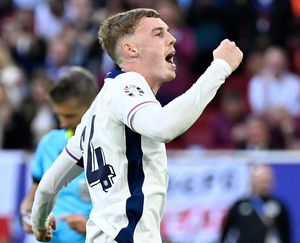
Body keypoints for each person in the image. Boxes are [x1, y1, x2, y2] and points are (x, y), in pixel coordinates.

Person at [31, 8, 243, 243]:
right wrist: (220, 68)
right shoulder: (126, 85)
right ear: (130, 49)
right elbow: (164, 127)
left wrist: (39, 223)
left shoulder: (95, 114)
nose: (171, 39)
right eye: (158, 33)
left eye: (168, 32)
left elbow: (48, 186)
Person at [20, 67, 99, 242]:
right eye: (58, 115)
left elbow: (127, 218)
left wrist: (90, 227)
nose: (62, 123)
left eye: (69, 116)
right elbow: (30, 199)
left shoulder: (110, 148)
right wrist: (29, 218)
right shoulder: (49, 142)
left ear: (92, 108)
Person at [220, 164, 291, 243]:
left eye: (267, 181)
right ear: (251, 181)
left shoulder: (278, 205)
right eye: (261, 181)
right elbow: (225, 232)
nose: (264, 185)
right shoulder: (239, 205)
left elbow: (286, 234)